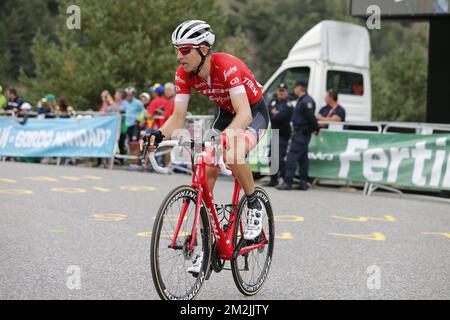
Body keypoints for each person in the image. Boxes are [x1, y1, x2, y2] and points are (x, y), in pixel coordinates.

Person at [143, 20, 270, 253]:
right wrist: (158, 135)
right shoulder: (183, 73)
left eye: (183, 50)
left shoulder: (227, 66)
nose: (179, 57)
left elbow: (244, 113)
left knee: (232, 155)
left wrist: (225, 138)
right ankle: (204, 229)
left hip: (253, 114)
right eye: (176, 50)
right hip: (224, 114)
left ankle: (254, 204)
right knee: (204, 161)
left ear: (202, 49)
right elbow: (178, 117)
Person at [277, 81, 319, 191]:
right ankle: (303, 182)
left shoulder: (307, 101)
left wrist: (316, 128)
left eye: (295, 87)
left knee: (292, 157)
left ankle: (288, 181)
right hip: (299, 132)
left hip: (302, 133)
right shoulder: (301, 100)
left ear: (299, 88)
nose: (294, 90)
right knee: (303, 158)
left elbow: (311, 117)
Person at [264, 83, 292, 187]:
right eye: (279, 90)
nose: (280, 92)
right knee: (271, 156)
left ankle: (283, 178)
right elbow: (267, 113)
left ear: (286, 92)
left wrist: (274, 114)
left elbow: (282, 117)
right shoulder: (273, 102)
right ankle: (273, 180)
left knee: (279, 157)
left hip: (283, 133)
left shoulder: (288, 104)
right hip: (275, 133)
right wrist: (274, 113)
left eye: (283, 91)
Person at [124, 87, 145, 168]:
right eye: (127, 95)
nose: (129, 97)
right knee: (130, 144)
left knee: (135, 144)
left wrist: (142, 121)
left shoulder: (138, 103)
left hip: (135, 125)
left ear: (133, 95)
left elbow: (143, 111)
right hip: (127, 125)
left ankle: (136, 163)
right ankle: (133, 162)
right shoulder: (125, 102)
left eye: (130, 95)